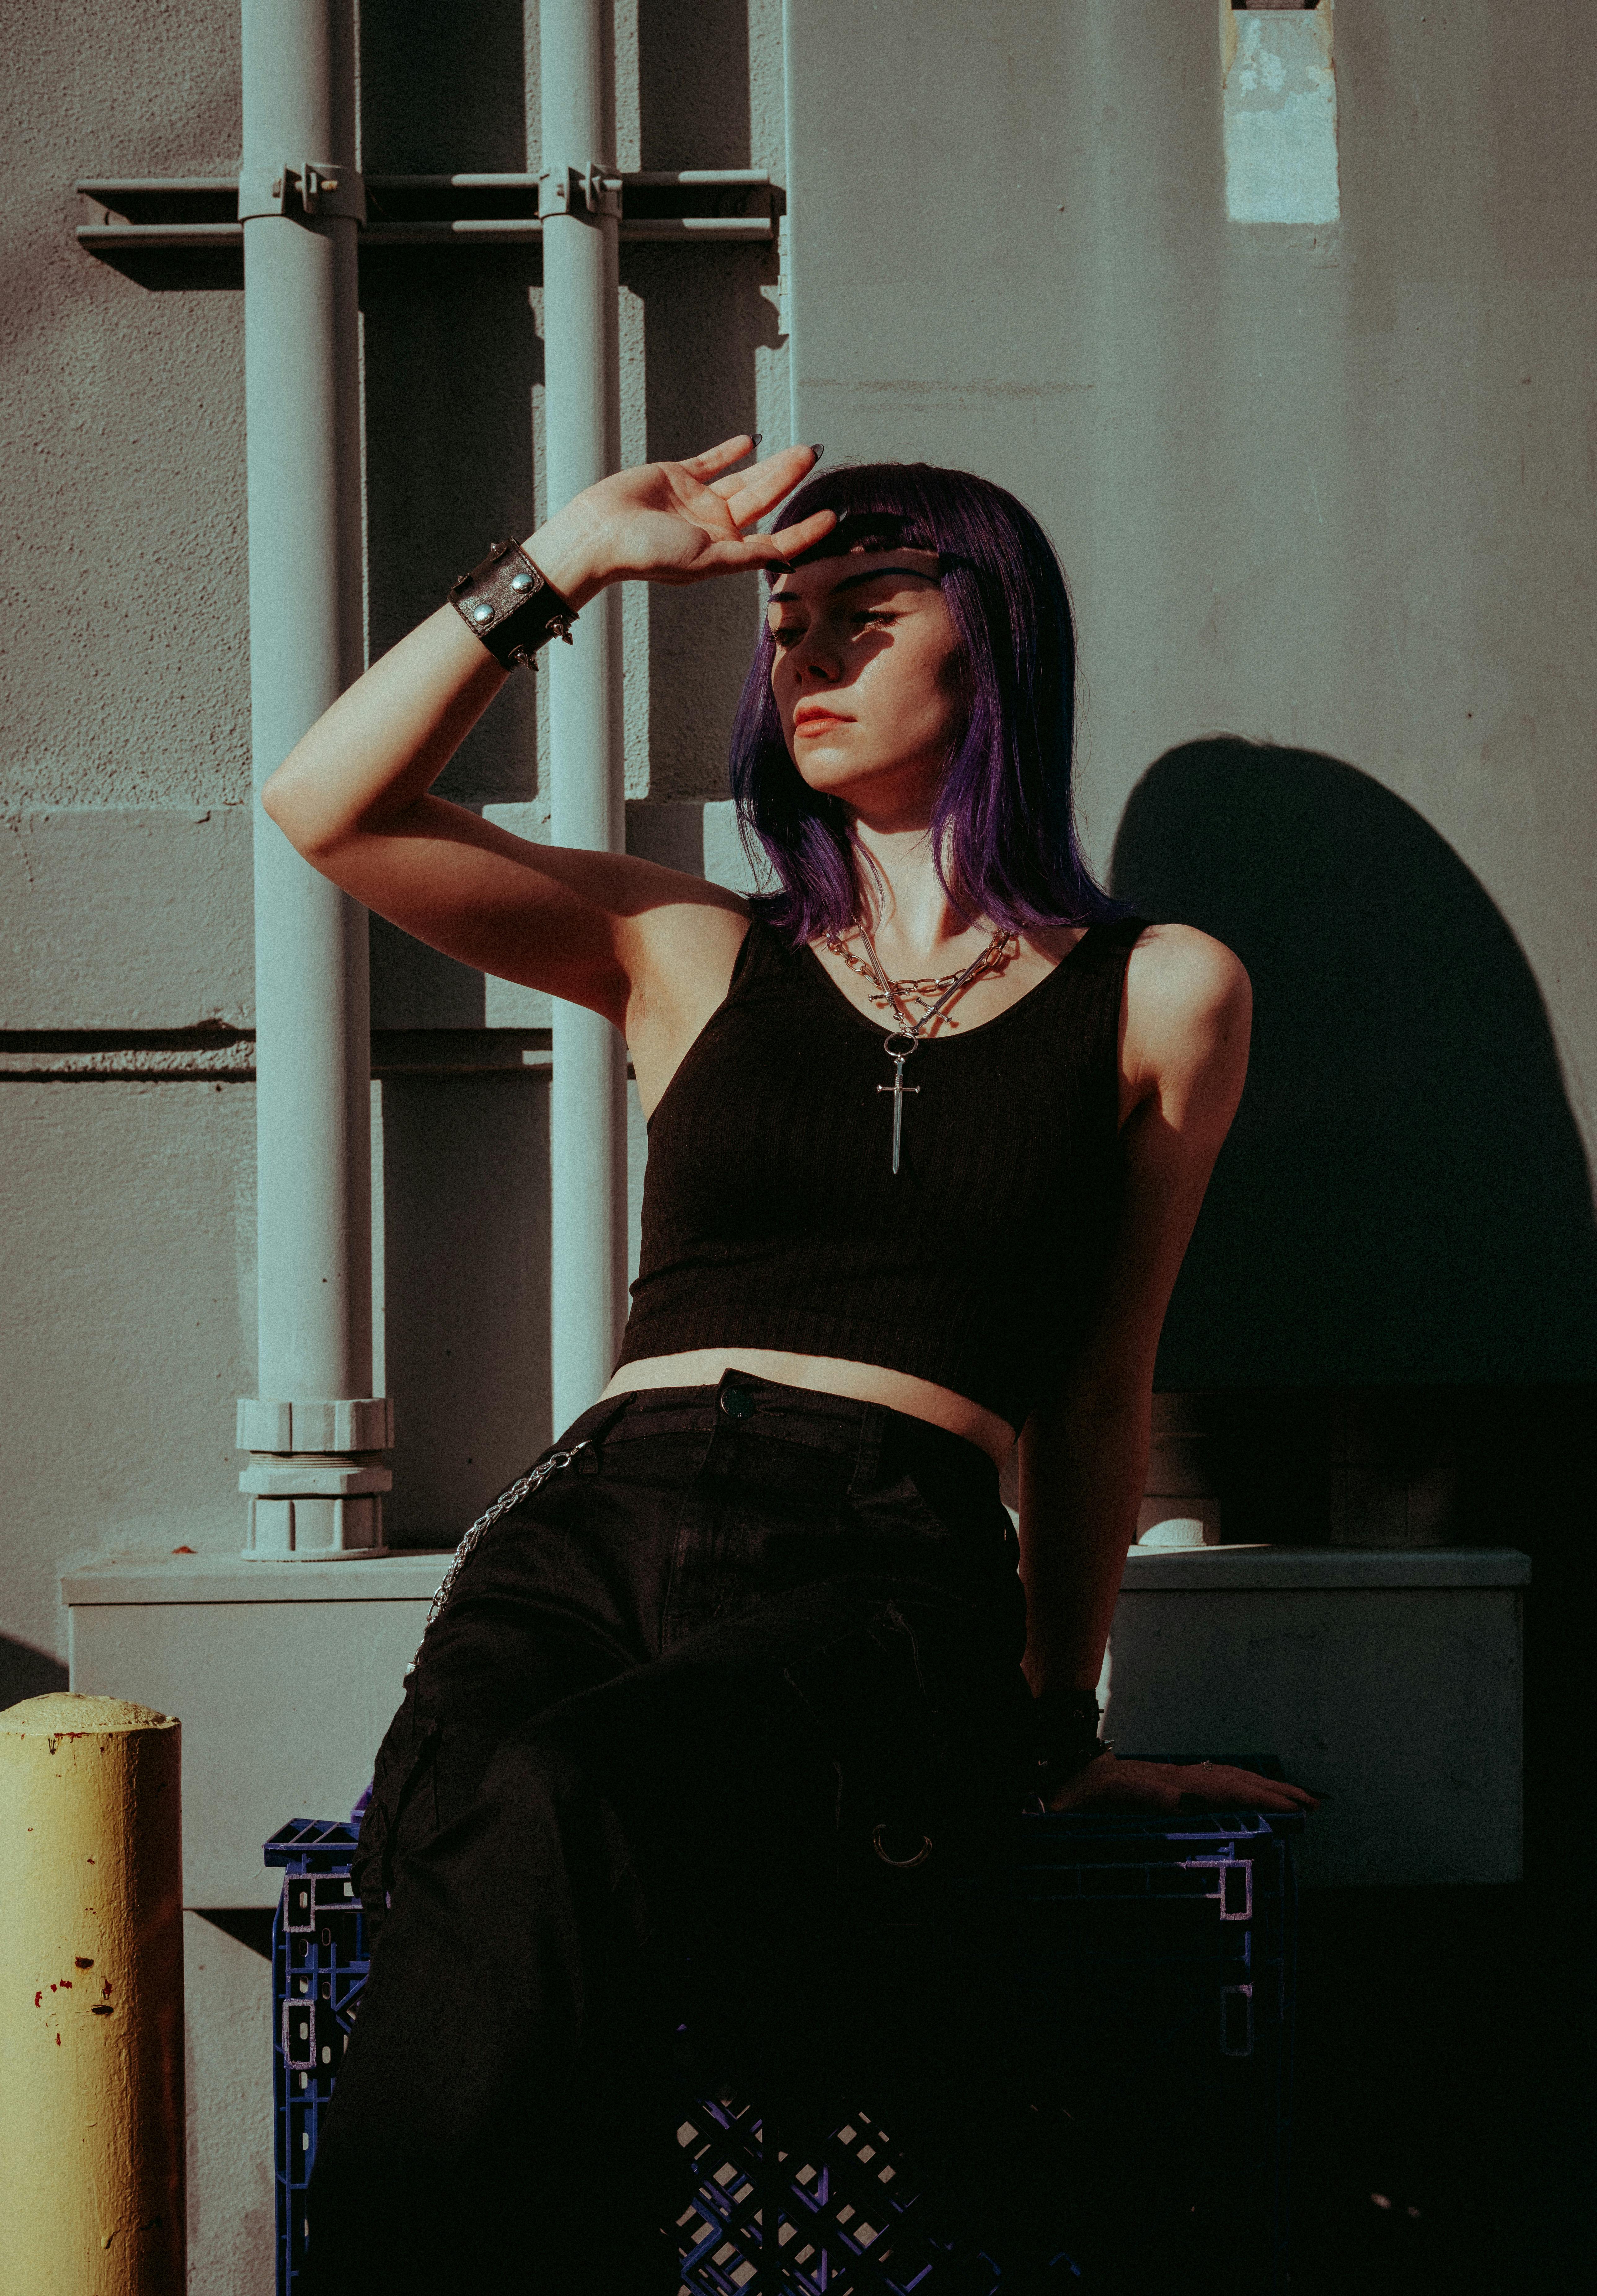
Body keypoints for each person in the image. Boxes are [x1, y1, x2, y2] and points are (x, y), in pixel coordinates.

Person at [265, 437, 1315, 2294]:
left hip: (874, 1559)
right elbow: (328, 806)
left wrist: (1046, 1732)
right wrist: (572, 562)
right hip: (585, 1527)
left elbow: (1093, 1396)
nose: (803, 662)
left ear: (986, 657)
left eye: (863, 619)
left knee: (563, 1820)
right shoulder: (692, 950)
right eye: (783, 629)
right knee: (462, 1845)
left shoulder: (1159, 993)